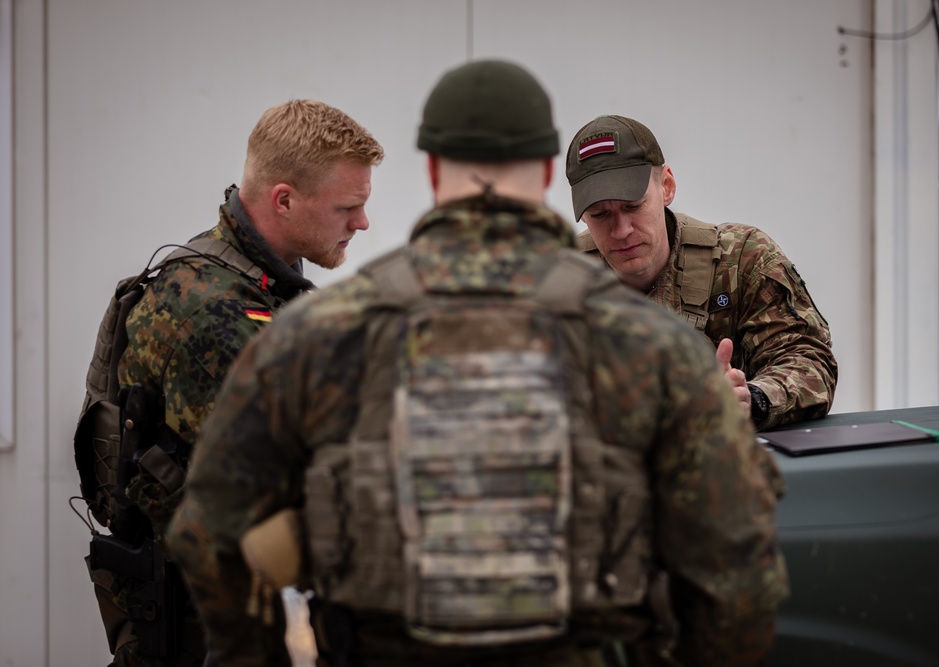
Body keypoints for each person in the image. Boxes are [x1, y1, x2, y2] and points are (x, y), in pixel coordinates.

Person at [165, 60, 788, 667]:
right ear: (548, 170)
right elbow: (737, 574)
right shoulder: (655, 345)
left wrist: (262, 651)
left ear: (434, 168)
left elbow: (208, 535)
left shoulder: (313, 336)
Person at [85, 99, 384, 666]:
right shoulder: (211, 315)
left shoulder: (264, 287)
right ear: (284, 200)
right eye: (349, 206)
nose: (362, 222)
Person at [565, 115, 837, 430]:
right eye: (600, 214)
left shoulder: (741, 260)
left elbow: (808, 362)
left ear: (666, 187)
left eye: (633, 206)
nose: (621, 230)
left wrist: (753, 398)